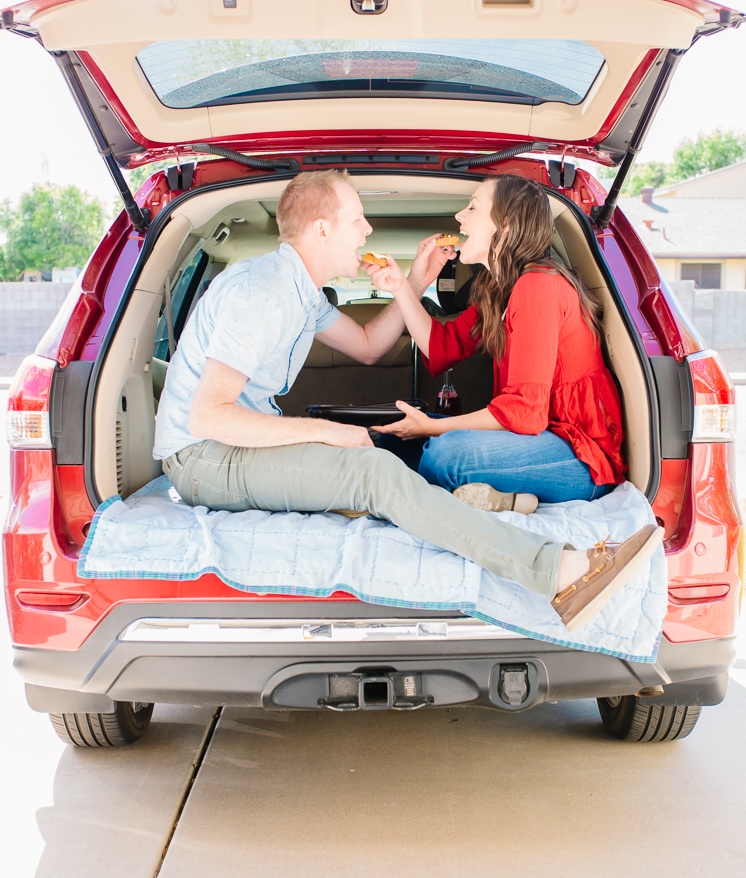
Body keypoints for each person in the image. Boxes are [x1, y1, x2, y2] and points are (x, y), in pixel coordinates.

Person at [153, 170, 660, 631]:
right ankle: (558, 568)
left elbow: (371, 347)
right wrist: (331, 433)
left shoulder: (301, 294)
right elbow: (208, 415)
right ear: (322, 231)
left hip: (571, 443)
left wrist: (411, 283)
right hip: (204, 456)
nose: (368, 230)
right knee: (372, 467)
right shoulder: (262, 290)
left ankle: (505, 536)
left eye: (473, 209)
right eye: (358, 219)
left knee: (380, 458)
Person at [373, 174, 627, 515]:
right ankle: (492, 498)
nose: (460, 217)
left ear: (505, 225)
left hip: (581, 458)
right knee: (392, 441)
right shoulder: (498, 290)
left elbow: (525, 412)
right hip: (534, 440)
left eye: (473, 207)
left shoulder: (538, 286)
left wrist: (432, 426)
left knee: (444, 454)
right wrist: (402, 287)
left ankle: (490, 499)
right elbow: (441, 346)